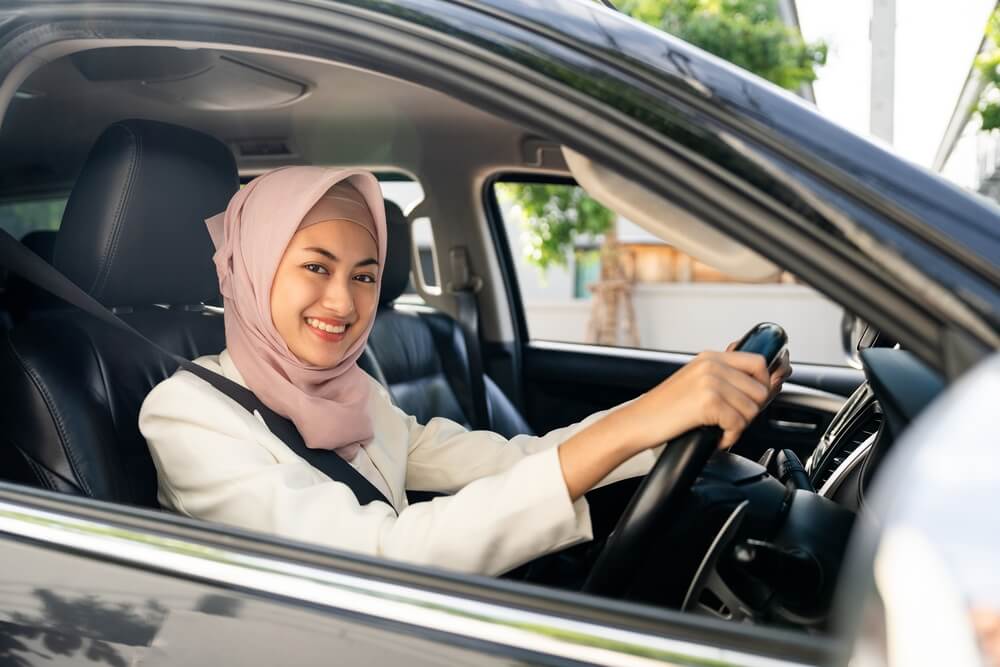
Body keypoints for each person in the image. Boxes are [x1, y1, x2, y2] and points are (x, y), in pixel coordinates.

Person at [139, 166, 789, 577]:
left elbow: (513, 460)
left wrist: (674, 410)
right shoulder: (187, 412)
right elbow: (374, 559)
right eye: (315, 266)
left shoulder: (353, 393)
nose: (343, 301)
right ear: (253, 271)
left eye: (365, 275)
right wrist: (638, 424)